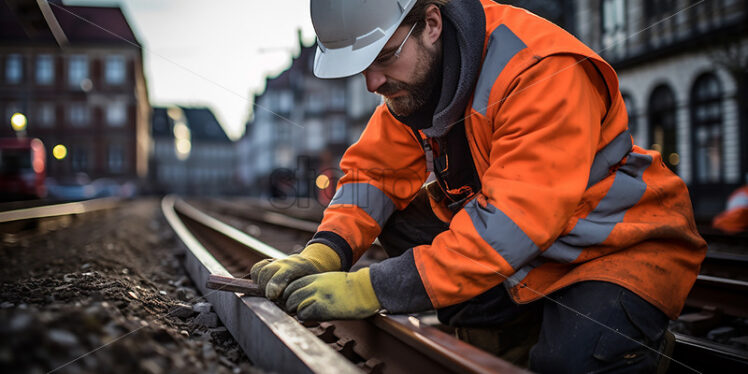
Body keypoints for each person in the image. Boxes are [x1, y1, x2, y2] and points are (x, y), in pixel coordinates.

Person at [250, 0, 708, 371]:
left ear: (431, 23)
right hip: (539, 248)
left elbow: (509, 227)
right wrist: (323, 252)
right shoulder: (420, 82)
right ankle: (506, 341)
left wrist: (372, 289)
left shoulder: (541, 72)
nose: (373, 83)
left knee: (570, 363)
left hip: (615, 247)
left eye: (384, 57)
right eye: (362, 68)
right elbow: (372, 175)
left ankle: (638, 350)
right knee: (400, 217)